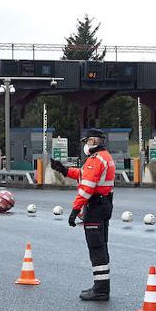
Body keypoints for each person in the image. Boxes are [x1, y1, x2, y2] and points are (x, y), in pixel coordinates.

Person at [50, 128, 118, 301]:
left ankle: (101, 290)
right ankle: (101, 286)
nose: (85, 146)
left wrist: (75, 210)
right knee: (102, 245)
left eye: (86, 141)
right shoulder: (106, 157)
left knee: (96, 247)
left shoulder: (94, 160)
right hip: (105, 204)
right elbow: (83, 174)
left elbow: (86, 187)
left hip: (95, 207)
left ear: (93, 141)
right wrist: (64, 170)